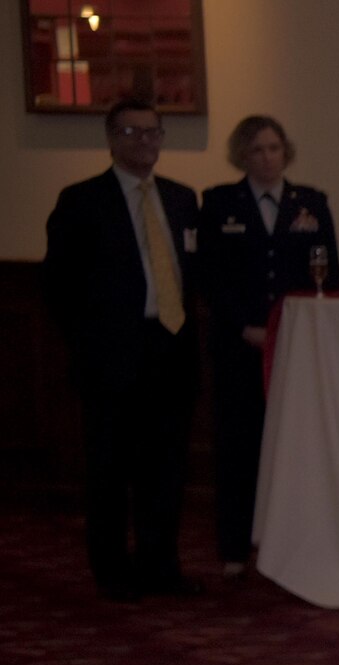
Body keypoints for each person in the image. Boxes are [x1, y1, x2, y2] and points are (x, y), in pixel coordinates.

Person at [42, 97, 204, 601]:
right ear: (112, 139)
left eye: (154, 133)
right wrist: (90, 344)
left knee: (166, 466)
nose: (146, 142)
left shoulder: (181, 198)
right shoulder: (81, 200)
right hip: (112, 355)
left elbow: (190, 271)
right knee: (110, 468)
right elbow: (58, 285)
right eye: (133, 133)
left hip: (170, 348)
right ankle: (112, 572)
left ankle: (161, 565)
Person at [199, 115, 339, 577]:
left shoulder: (311, 203)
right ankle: (236, 548)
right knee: (239, 446)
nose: (267, 157)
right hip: (240, 347)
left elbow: (329, 275)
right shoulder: (220, 204)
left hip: (298, 346)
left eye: (274, 148)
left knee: (299, 445)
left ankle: (301, 540)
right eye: (257, 150)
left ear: (286, 151)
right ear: (243, 155)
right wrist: (245, 327)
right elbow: (212, 279)